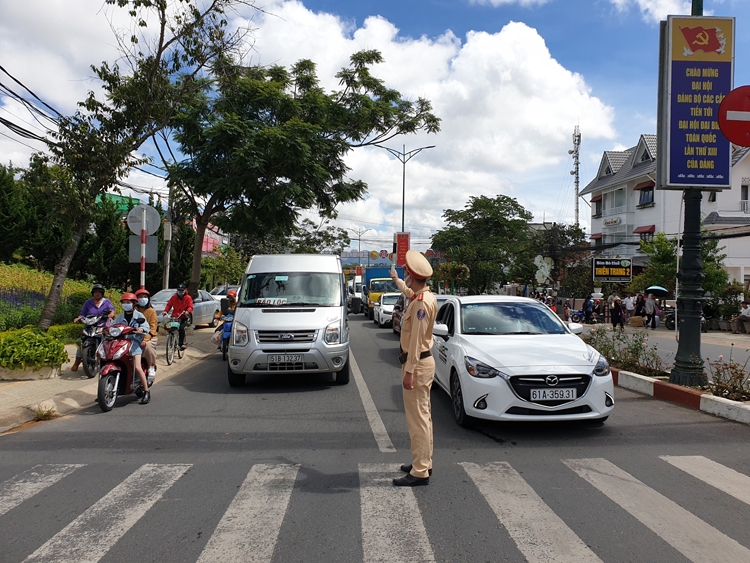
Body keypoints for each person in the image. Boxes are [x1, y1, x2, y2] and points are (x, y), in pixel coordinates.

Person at [389, 251, 437, 487]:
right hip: (424, 364)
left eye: (406, 273)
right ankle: (423, 461)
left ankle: (420, 472)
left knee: (417, 420)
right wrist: (396, 280)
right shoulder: (425, 296)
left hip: (417, 364)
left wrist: (410, 371)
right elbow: (409, 293)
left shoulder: (420, 305)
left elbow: (417, 340)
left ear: (412, 275)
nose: (405, 275)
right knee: (424, 417)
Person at [112, 293, 151, 404]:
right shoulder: (120, 317)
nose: (126, 305)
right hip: (121, 343)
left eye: (128, 303)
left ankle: (147, 391)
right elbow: (113, 326)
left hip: (134, 344)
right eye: (124, 303)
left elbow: (146, 327)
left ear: (134, 304)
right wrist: (104, 329)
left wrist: (141, 330)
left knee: (138, 367)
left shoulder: (139, 316)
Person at [71, 283, 115, 371]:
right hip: (89, 326)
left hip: (102, 325)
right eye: (95, 292)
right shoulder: (88, 303)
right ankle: (76, 362)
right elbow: (82, 314)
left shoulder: (106, 302)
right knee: (82, 342)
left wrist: (109, 315)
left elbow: (112, 311)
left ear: (102, 293)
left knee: (109, 340)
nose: (97, 294)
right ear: (93, 293)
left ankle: (110, 361)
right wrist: (78, 318)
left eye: (99, 292)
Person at [135, 288, 158, 378]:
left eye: (145, 297)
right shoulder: (134, 311)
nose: (142, 298)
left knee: (147, 346)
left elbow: (153, 327)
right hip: (134, 336)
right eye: (140, 297)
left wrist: (145, 338)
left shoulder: (151, 311)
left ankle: (151, 365)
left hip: (150, 337)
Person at [163, 283, 194, 350]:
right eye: (179, 290)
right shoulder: (174, 297)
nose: (180, 292)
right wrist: (165, 311)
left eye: (182, 290)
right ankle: (171, 340)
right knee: (169, 328)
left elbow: (190, 306)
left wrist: (187, 311)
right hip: (174, 316)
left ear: (185, 290)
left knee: (181, 329)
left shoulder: (188, 298)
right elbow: (169, 305)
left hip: (183, 316)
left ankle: (181, 343)